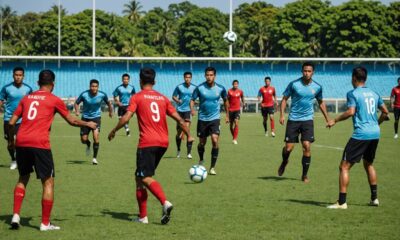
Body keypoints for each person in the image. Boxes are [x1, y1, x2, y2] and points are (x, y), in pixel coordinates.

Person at [9, 69, 96, 231]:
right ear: (53, 84)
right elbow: (71, 120)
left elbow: (12, 121)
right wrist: (87, 124)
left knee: (23, 177)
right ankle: (45, 223)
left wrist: (10, 140)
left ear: (37, 83)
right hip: (39, 144)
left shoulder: (27, 98)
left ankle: (15, 215)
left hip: (21, 142)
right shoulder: (54, 100)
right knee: (48, 182)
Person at [108, 67, 194, 225]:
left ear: (140, 81)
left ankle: (165, 202)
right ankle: (143, 217)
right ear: (154, 81)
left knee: (144, 177)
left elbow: (126, 117)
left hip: (147, 142)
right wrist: (189, 135)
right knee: (139, 177)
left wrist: (114, 129)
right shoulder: (163, 98)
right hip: (163, 143)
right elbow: (180, 120)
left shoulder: (137, 97)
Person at [327, 66, 389, 209]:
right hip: (375, 134)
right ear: (365, 78)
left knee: (344, 166)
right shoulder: (374, 93)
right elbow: (385, 112)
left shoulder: (353, 93)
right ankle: (374, 199)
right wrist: (376, 124)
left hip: (361, 134)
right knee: (368, 164)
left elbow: (350, 112)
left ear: (354, 78)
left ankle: (342, 202)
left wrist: (334, 120)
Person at [278, 62, 330, 183]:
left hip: (307, 120)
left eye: (309, 71)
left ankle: (304, 175)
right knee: (288, 148)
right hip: (293, 119)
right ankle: (285, 161)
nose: (306, 73)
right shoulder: (294, 84)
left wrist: (327, 118)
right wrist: (282, 115)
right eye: (305, 71)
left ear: (313, 72)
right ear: (302, 71)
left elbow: (321, 102)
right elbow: (284, 99)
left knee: (306, 145)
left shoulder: (317, 87)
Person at [190, 67, 229, 175]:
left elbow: (226, 101)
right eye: (207, 75)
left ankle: (212, 167)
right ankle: (201, 159)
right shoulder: (199, 88)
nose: (209, 77)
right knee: (202, 143)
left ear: (215, 76)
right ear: (205, 76)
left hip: (215, 118)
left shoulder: (221, 88)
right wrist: (192, 109)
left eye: (211, 75)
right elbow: (192, 100)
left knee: (215, 140)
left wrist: (227, 115)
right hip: (202, 119)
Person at [0, 67, 32, 170]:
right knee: (10, 143)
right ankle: (13, 159)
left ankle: (21, 160)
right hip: (8, 119)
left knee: (20, 141)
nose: (18, 77)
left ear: (23, 76)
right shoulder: (6, 88)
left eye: (20, 75)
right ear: (13, 75)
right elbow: (1, 100)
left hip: (22, 120)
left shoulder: (28, 89)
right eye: (16, 75)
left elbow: (31, 102)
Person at [74, 79, 113, 165]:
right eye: (92, 86)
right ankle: (88, 144)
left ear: (98, 87)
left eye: (95, 86)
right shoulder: (84, 94)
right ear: (89, 86)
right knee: (83, 140)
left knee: (96, 137)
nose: (94, 88)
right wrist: (77, 111)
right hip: (85, 118)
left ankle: (94, 158)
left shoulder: (102, 94)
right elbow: (76, 103)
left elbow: (109, 103)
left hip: (96, 118)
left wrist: (110, 112)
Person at [172, 71, 196, 158]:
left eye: (189, 77)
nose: (187, 79)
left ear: (191, 78)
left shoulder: (194, 88)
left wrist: (193, 108)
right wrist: (178, 100)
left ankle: (189, 153)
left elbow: (196, 98)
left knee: (187, 129)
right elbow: (173, 96)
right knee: (179, 132)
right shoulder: (179, 87)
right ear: (184, 78)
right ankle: (178, 150)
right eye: (186, 77)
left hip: (188, 111)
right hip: (179, 111)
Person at [227, 79, 244, 144]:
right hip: (231, 110)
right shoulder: (229, 91)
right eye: (234, 84)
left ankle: (234, 139)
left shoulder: (240, 91)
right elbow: (227, 100)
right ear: (232, 84)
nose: (235, 85)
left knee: (236, 123)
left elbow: (242, 97)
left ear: (238, 84)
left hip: (237, 110)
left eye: (236, 84)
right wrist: (227, 106)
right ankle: (234, 137)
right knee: (231, 126)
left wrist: (243, 102)